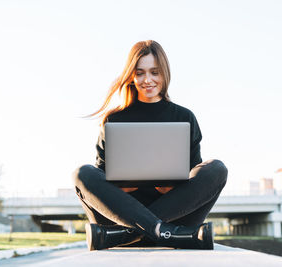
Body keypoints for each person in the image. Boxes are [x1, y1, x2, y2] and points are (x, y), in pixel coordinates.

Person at [72, 40, 228, 251]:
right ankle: (162, 232)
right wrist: (126, 186)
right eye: (140, 73)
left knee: (217, 169)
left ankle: (130, 234)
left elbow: (194, 183)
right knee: (83, 174)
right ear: (131, 76)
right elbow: (100, 183)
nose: (148, 80)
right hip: (123, 219)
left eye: (155, 72)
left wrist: (170, 189)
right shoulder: (114, 119)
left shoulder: (184, 117)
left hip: (158, 221)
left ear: (164, 73)